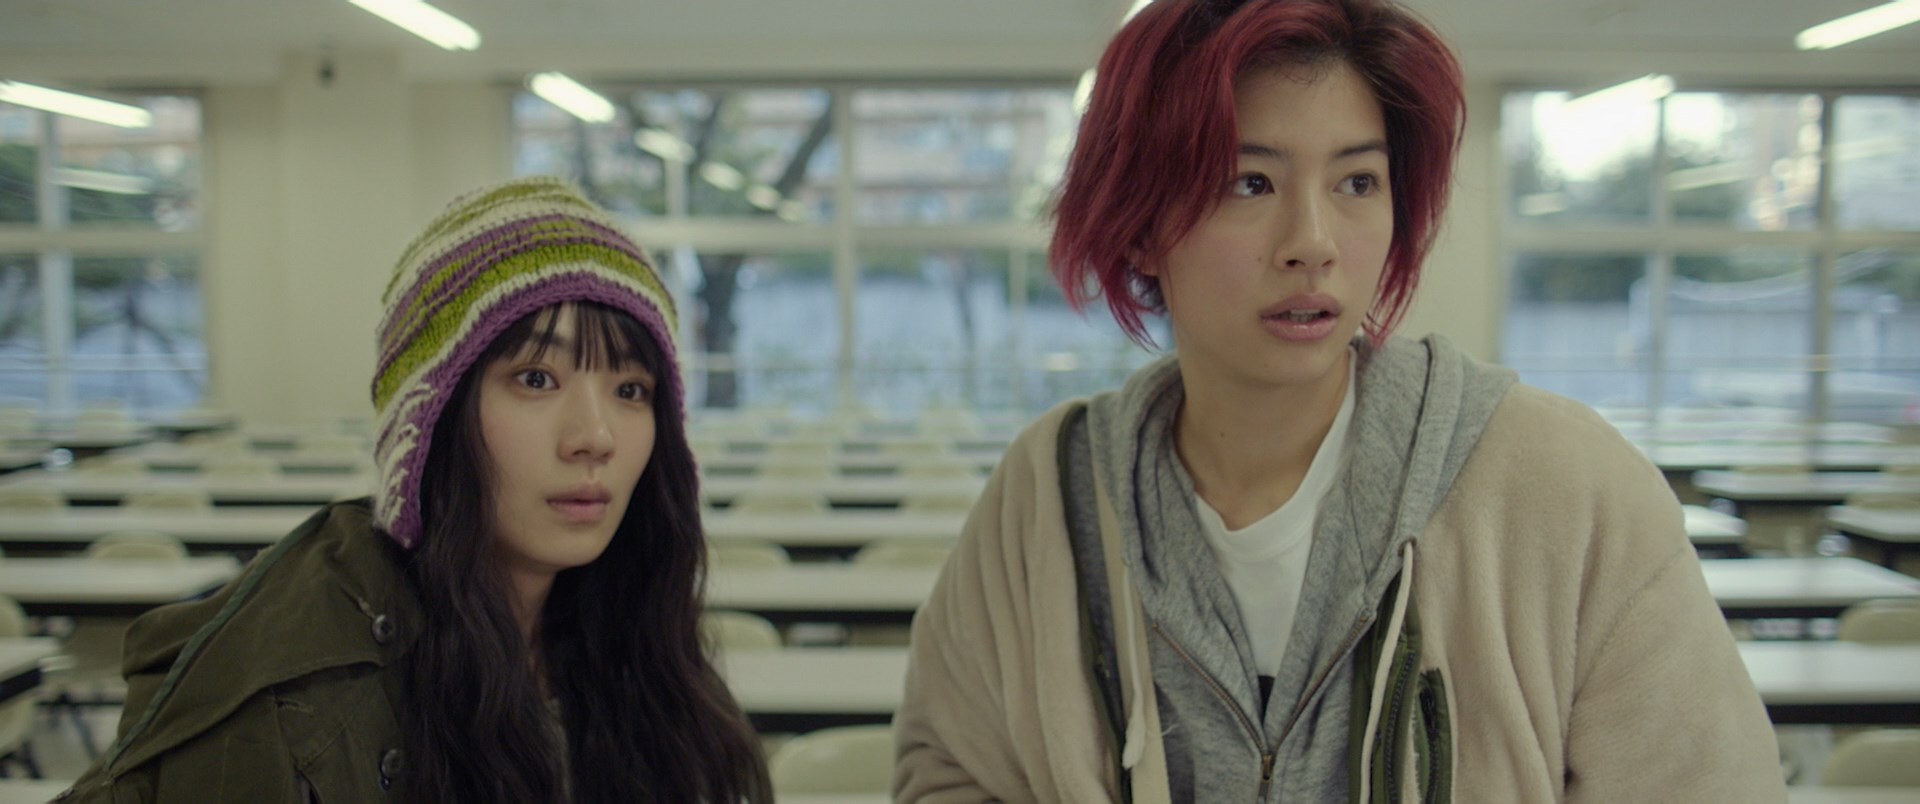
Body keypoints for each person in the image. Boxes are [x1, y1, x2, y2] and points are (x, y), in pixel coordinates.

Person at [893, 0, 1783, 800]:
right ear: (1140, 226)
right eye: (1250, 183)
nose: (1313, 243)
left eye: (1357, 182)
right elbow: (949, 771)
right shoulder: (1048, 500)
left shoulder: (1573, 494)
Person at [61, 177, 772, 802]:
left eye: (631, 388)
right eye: (536, 378)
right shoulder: (289, 703)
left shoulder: (631, 641)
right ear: (431, 419)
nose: (596, 436)